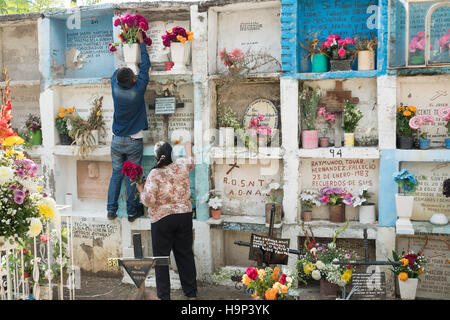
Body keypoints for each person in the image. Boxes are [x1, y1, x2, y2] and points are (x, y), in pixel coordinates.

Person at [136, 141, 197, 300]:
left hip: (162, 220)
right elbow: (191, 161)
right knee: (185, 254)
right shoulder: (181, 166)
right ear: (172, 155)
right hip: (184, 216)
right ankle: (191, 293)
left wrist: (141, 189)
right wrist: (188, 147)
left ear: (157, 156)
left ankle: (164, 296)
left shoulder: (154, 174)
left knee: (161, 260)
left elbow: (149, 200)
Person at [107, 31, 151, 222]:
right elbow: (146, 65)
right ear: (133, 79)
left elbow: (116, 73)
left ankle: (111, 210)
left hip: (117, 141)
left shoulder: (115, 87)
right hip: (134, 141)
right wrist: (141, 42)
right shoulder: (138, 88)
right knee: (131, 176)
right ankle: (132, 212)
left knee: (116, 174)